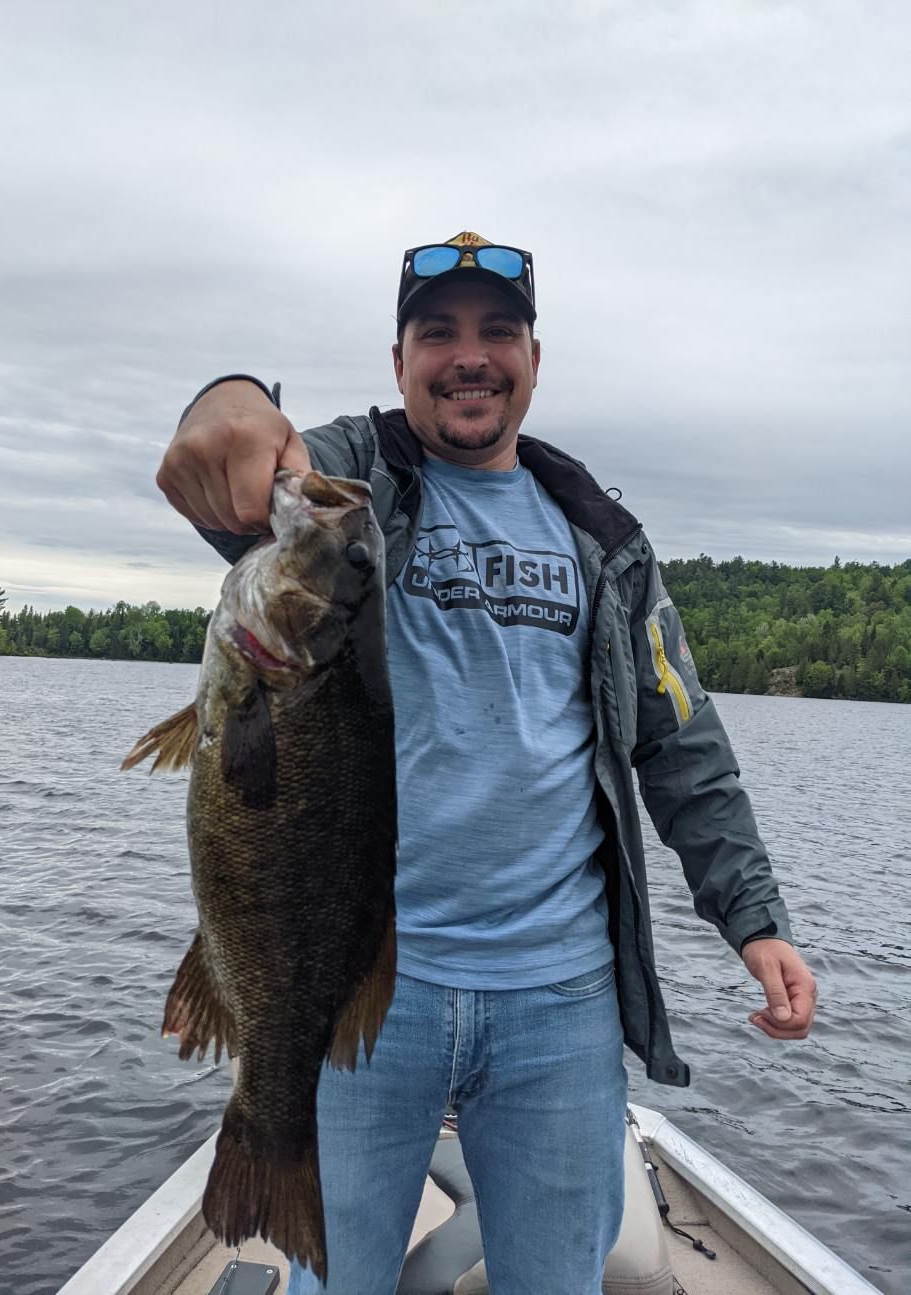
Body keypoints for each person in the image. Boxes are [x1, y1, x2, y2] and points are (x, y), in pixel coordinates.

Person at [157, 231, 818, 1295]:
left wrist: (755, 919)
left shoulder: (604, 541)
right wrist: (224, 399)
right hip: (363, 979)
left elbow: (681, 740)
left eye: (496, 331)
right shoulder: (351, 484)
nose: (469, 355)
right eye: (437, 333)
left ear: (533, 360)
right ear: (398, 360)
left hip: (560, 995)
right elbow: (242, 456)